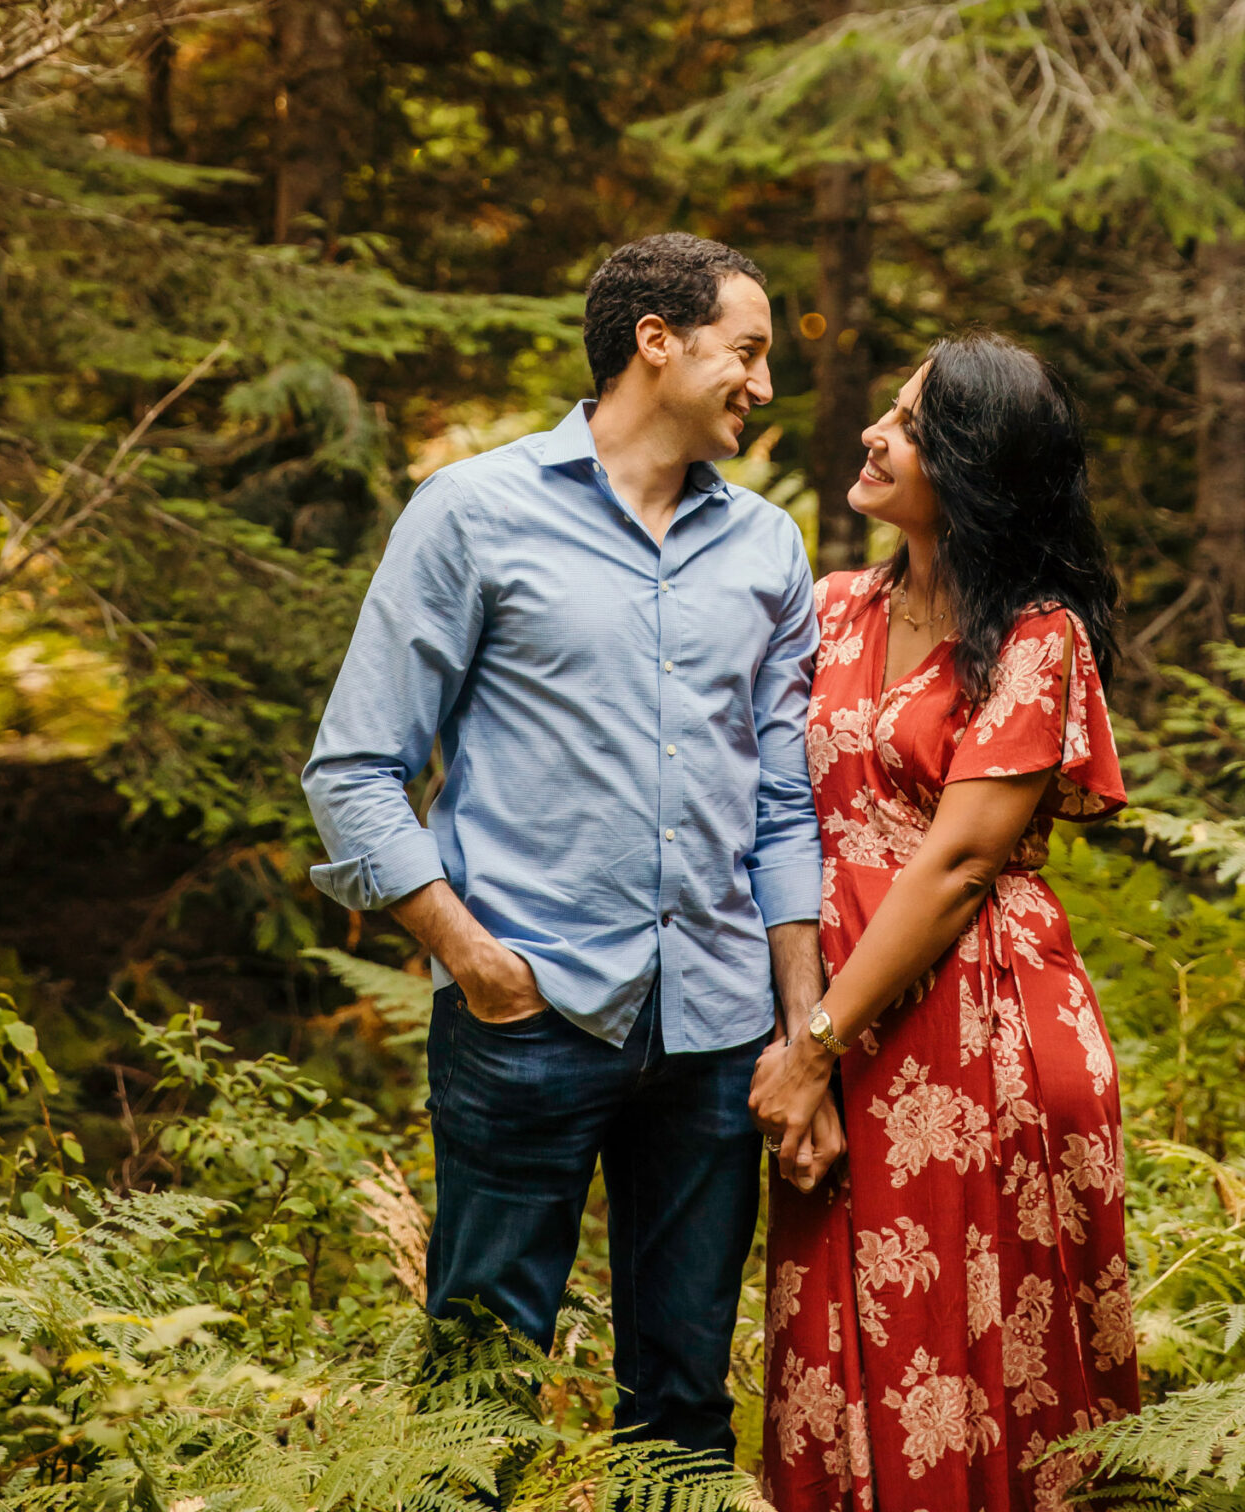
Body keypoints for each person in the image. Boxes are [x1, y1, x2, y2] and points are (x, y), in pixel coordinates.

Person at [303, 232, 843, 1462]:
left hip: (715, 1035)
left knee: (686, 1409)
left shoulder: (767, 550)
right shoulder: (472, 514)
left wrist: (800, 1030)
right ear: (658, 341)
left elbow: (779, 810)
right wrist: (467, 954)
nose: (764, 383)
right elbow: (354, 770)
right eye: (746, 351)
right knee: (477, 1392)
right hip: (525, 1021)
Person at [750, 332, 1139, 1512]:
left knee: (981, 1351)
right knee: (837, 1337)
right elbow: (777, 818)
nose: (875, 432)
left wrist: (813, 1049)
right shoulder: (829, 610)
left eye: (912, 425)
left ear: (973, 467)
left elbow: (962, 857)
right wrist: (803, 1030)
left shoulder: (1039, 639)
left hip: (986, 1025)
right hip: (839, 1013)